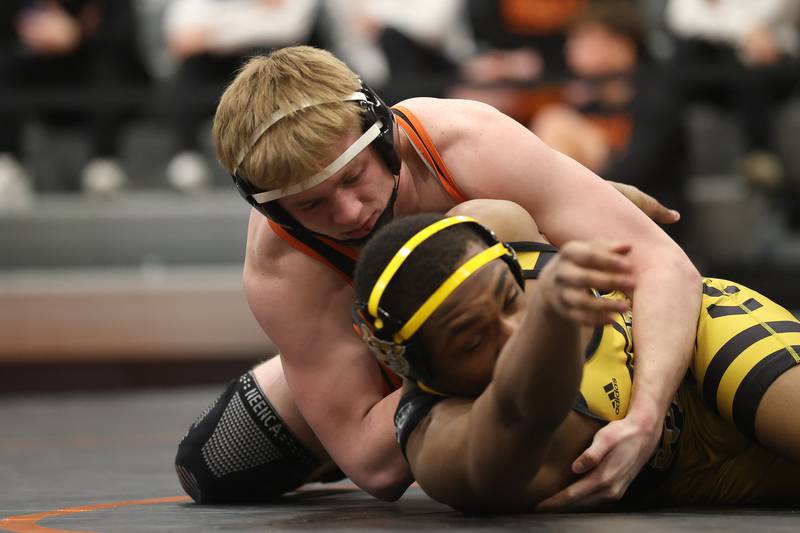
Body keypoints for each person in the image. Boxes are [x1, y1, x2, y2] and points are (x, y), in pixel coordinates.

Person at [175, 45, 698, 507]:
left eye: (354, 177)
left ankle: (547, 234)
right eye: (312, 205)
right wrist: (431, 349)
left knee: (488, 219)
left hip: (500, 306)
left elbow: (666, 264)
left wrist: (646, 418)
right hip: (392, 359)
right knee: (210, 464)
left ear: (383, 137)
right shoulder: (283, 267)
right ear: (278, 214)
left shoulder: (467, 141)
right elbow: (373, 469)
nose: (349, 213)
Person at [352, 202, 800, 512]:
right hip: (693, 480)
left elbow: (561, 195)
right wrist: (549, 320)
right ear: (421, 368)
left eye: (510, 299)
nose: (512, 332)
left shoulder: (494, 228)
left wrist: (605, 193)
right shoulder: (441, 447)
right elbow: (521, 409)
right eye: (472, 342)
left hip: (699, 348)